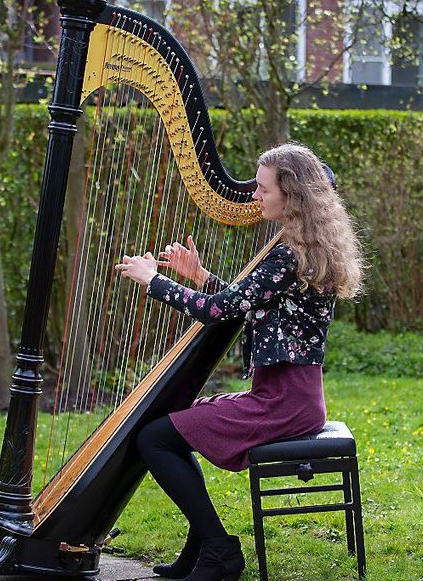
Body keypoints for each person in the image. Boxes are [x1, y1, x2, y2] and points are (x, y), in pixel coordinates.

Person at [114, 142, 364, 581]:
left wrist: (153, 281)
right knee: (175, 426)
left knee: (154, 438)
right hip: (289, 396)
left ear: (291, 194)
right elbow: (250, 303)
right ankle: (204, 546)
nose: (254, 196)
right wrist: (200, 278)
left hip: (282, 404)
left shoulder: (289, 255)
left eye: (262, 189)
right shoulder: (298, 247)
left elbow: (217, 312)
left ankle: (218, 550)